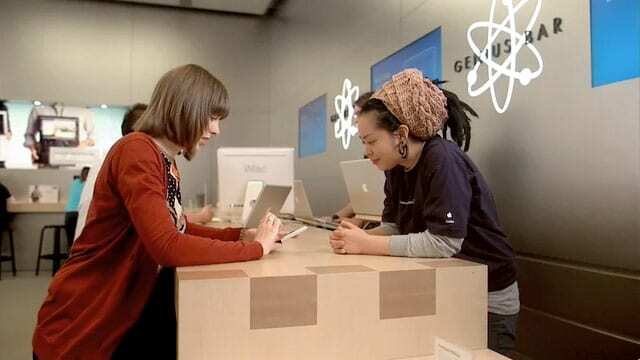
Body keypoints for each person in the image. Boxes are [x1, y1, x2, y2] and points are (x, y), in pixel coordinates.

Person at [32, 64, 283, 360]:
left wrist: (238, 235)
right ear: (185, 108)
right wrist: (254, 248)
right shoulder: (137, 150)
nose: (216, 129)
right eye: (211, 117)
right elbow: (167, 246)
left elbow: (178, 228)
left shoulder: (167, 160)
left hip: (116, 314)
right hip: (84, 323)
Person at [328, 69, 519, 357]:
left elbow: (445, 241)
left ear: (401, 134)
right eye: (363, 143)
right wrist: (355, 237)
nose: (367, 152)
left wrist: (368, 244)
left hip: (486, 298)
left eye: (371, 141)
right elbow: (395, 227)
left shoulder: (442, 160)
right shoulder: (395, 168)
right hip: (447, 290)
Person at [332, 91, 374, 228]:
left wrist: (361, 221)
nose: (355, 120)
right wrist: (336, 217)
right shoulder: (370, 153)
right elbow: (364, 197)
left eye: (358, 114)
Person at [64, 167, 89, 247]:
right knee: (82, 241)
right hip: (79, 214)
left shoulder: (74, 182)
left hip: (68, 214)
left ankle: (70, 255)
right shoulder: (88, 185)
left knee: (71, 242)